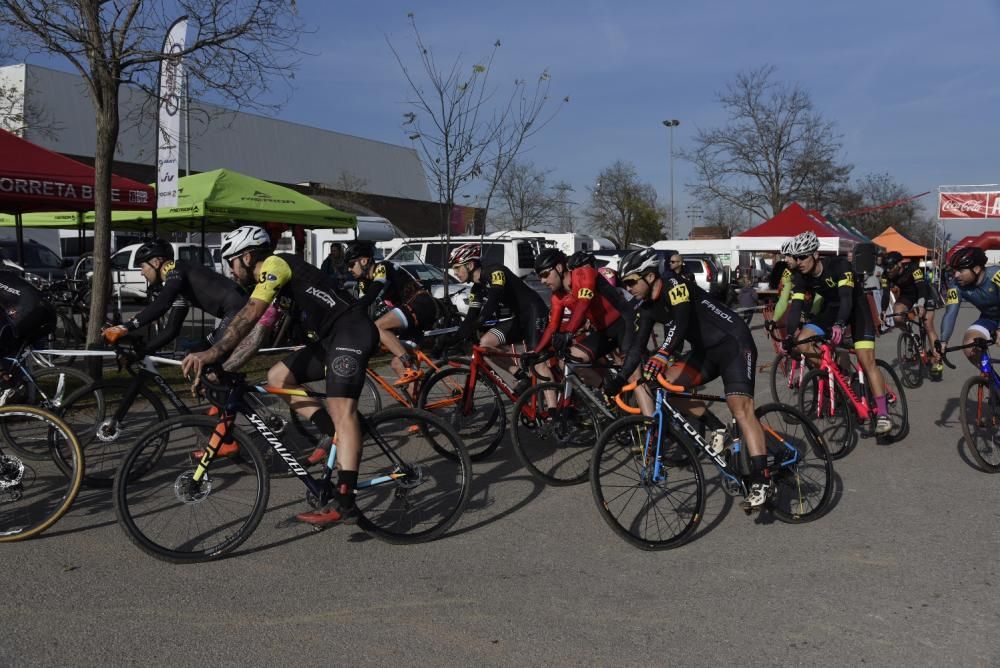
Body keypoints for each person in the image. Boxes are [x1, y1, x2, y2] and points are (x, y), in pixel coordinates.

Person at [181, 225, 378, 527]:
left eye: (231, 262)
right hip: (329, 340)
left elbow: (249, 314)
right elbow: (257, 332)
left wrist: (213, 353)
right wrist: (224, 367)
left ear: (247, 257)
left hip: (351, 331)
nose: (231, 271)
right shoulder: (271, 284)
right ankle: (337, 434)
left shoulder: (276, 263)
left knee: (343, 410)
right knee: (277, 377)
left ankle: (346, 500)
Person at [603, 248, 773, 509]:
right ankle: (716, 426)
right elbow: (636, 347)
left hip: (734, 343)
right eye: (625, 284)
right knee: (663, 384)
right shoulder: (646, 306)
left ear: (649, 276)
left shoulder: (675, 285)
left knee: (740, 408)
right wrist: (621, 378)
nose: (628, 288)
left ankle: (762, 479)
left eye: (631, 282)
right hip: (705, 352)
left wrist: (661, 354)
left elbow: (681, 323)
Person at [783, 231, 893, 435]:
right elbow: (796, 307)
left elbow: (847, 299)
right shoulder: (800, 276)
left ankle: (883, 414)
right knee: (802, 342)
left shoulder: (839, 266)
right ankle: (839, 375)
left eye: (802, 257)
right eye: (796, 258)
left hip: (856, 309)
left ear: (815, 254)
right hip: (831, 310)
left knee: (866, 359)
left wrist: (841, 324)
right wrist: (789, 336)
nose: (798, 262)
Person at [101, 239, 253, 357]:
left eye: (142, 266)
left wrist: (125, 327)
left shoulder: (176, 270)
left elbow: (162, 303)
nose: (141, 272)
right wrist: (142, 352)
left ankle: (232, 396)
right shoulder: (179, 282)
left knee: (212, 365)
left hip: (238, 310)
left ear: (156, 262)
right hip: (233, 312)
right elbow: (171, 330)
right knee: (196, 352)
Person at [449, 242, 549, 391]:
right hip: (520, 318)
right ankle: (521, 375)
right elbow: (471, 316)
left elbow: (494, 299)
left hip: (535, 312)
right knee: (485, 344)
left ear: (469, 265)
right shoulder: (476, 289)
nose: (454, 272)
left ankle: (554, 410)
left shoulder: (495, 271)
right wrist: (454, 339)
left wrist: (478, 323)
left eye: (457, 268)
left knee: (537, 362)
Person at [530, 248, 627, 389]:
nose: (542, 281)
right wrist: (536, 352)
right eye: (540, 277)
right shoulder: (557, 296)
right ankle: (607, 395)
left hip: (623, 324)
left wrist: (568, 333)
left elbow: (583, 303)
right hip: (603, 331)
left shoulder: (583, 274)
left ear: (559, 268)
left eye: (545, 274)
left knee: (631, 375)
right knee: (569, 361)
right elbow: (553, 326)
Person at [345, 240, 437, 386]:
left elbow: (373, 292)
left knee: (379, 326)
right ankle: (418, 405)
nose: (349, 269)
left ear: (363, 260)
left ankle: (407, 363)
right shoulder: (363, 282)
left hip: (420, 304)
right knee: (396, 364)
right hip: (410, 314)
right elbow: (362, 308)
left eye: (351, 264)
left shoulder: (382, 267)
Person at [936, 247, 1000, 370]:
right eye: (954, 271)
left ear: (976, 269)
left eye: (960, 271)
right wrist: (943, 341)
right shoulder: (956, 286)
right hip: (990, 318)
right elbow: (950, 313)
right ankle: (992, 382)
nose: (956, 275)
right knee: (970, 345)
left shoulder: (996, 274)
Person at [880, 251, 940, 370]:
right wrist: (883, 311)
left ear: (899, 264)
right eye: (886, 268)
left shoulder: (913, 268)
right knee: (897, 317)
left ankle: (937, 361)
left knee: (928, 325)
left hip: (925, 294)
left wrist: (921, 305)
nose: (888, 271)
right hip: (908, 296)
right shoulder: (885, 275)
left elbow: (921, 287)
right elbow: (886, 294)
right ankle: (911, 335)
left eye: (891, 267)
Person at [0, 268, 56, 357]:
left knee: (7, 353)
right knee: (15, 354)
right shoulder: (6, 274)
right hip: (47, 313)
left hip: (27, 315)